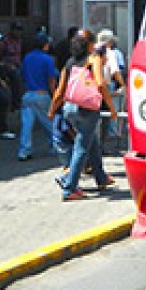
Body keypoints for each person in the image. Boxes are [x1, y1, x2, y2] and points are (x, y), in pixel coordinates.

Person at [48, 29, 117, 201]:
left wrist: (51, 111)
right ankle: (69, 186)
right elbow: (101, 84)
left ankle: (101, 178)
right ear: (91, 45)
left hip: (70, 109)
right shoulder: (93, 59)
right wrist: (111, 108)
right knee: (81, 147)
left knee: (91, 141)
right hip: (87, 109)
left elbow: (59, 91)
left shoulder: (69, 63)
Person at [17, 32, 59, 161]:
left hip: (28, 94)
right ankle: (56, 146)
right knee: (49, 123)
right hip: (42, 94)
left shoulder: (27, 58)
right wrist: (55, 96)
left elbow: (22, 76)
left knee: (26, 125)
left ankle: (24, 151)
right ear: (45, 45)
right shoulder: (47, 59)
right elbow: (51, 79)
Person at [2, 22, 24, 111]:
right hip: (7, 66)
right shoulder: (5, 41)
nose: (18, 33)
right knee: (16, 76)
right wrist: (8, 65)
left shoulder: (20, 41)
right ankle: (16, 103)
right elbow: (1, 57)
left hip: (19, 65)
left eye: (20, 30)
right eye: (16, 30)